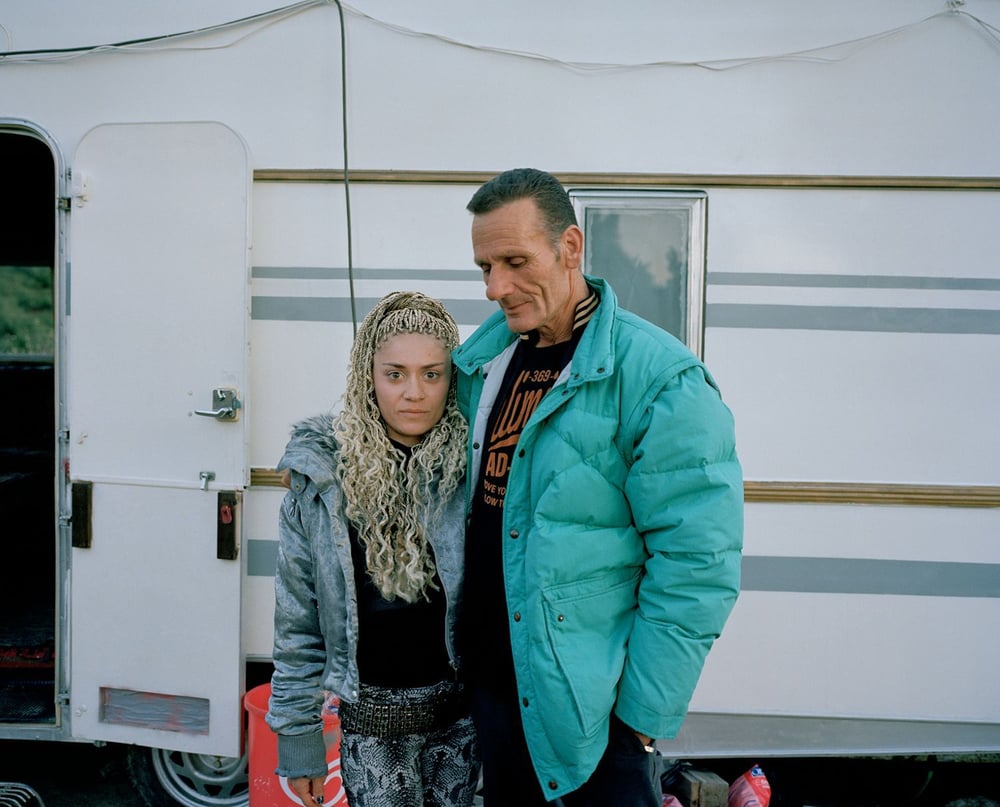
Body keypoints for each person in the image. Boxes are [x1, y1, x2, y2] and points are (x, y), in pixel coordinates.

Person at [452, 168, 744, 805]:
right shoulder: (480, 363)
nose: (496, 287)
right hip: (494, 699)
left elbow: (698, 564)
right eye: (485, 267)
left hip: (593, 717)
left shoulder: (660, 379)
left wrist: (640, 720)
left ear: (571, 247)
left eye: (515, 262)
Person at [266, 291, 481, 807]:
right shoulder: (322, 482)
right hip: (372, 730)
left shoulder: (472, 469)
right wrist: (299, 740)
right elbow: (297, 625)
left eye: (432, 373)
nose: (414, 393)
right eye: (395, 374)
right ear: (369, 376)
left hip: (463, 724)